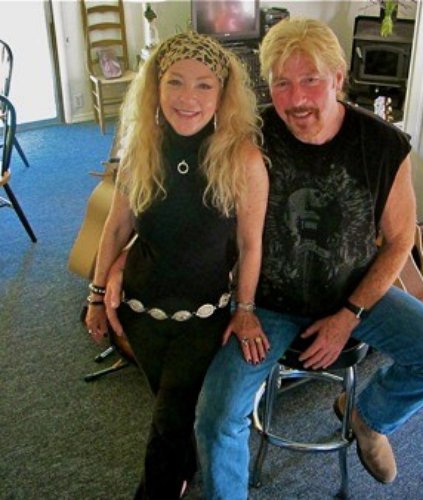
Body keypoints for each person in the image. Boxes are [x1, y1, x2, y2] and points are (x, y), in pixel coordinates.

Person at [193, 18, 423, 498]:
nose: (296, 98)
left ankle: (368, 417)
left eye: (310, 80)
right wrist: (243, 306)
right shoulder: (254, 135)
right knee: (215, 417)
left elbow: (400, 240)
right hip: (269, 303)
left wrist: (349, 315)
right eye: (281, 83)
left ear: (339, 78)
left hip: (356, 292)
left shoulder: (383, 146)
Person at [84, 31, 269, 499]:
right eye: (175, 82)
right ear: (156, 86)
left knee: (167, 422)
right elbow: (117, 226)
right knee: (171, 412)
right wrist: (96, 293)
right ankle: (187, 464)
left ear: (222, 93)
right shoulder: (141, 147)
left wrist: (245, 309)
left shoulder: (243, 157)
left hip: (203, 320)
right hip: (139, 313)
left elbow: (250, 245)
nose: (188, 98)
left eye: (204, 85)